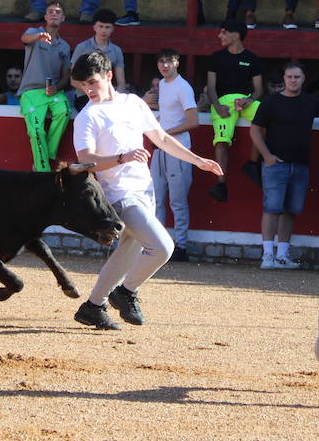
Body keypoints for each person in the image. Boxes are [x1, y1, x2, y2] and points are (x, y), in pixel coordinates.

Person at [70, 49, 222, 330]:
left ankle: (93, 306)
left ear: (108, 75)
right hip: (118, 195)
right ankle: (125, 292)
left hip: (144, 188)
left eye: (92, 82)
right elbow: (86, 161)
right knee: (163, 247)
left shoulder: (132, 104)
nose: (88, 89)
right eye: (83, 85)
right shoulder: (87, 117)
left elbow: (161, 138)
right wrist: (121, 158)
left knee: (129, 250)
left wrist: (197, 160)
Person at [250, 61, 319, 270]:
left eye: (297, 77)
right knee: (272, 208)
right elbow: (255, 130)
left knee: (290, 210)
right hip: (276, 163)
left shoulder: (310, 102)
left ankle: (282, 255)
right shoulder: (271, 102)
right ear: (284, 79)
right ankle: (267, 255)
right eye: (289, 77)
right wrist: (267, 156)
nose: (293, 81)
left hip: (301, 163)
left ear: (303, 79)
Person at [146, 48, 198, 261]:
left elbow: (193, 121)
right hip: (162, 147)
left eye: (169, 61)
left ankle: (181, 246)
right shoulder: (164, 85)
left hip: (177, 148)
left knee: (177, 200)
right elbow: (168, 113)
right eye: (161, 61)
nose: (164, 65)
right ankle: (160, 244)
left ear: (177, 63)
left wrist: (165, 133)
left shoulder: (182, 87)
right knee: (156, 198)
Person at [205, 19, 263, 202]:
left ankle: (252, 163)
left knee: (266, 116)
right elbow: (211, 87)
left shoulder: (252, 58)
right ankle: (221, 184)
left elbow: (259, 89)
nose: (219, 36)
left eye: (223, 32)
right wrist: (217, 106)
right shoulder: (216, 57)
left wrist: (250, 99)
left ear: (235, 35)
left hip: (245, 101)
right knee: (221, 142)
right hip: (222, 103)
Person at [17, 2, 73, 172]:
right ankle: (43, 172)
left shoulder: (64, 46)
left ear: (63, 18)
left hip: (53, 92)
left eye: (58, 12)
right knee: (36, 132)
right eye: (50, 12)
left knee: (64, 111)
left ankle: (45, 157)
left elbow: (66, 77)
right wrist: (39, 36)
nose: (54, 14)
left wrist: (57, 87)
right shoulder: (34, 32)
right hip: (30, 92)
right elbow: (23, 39)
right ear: (45, 17)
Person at [71, 9, 127, 93]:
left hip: (106, 95)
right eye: (100, 26)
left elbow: (121, 83)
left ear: (112, 29)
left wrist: (116, 98)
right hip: (84, 94)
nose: (103, 31)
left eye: (107, 27)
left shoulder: (116, 50)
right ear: (94, 27)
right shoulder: (82, 47)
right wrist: (91, 93)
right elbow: (73, 80)